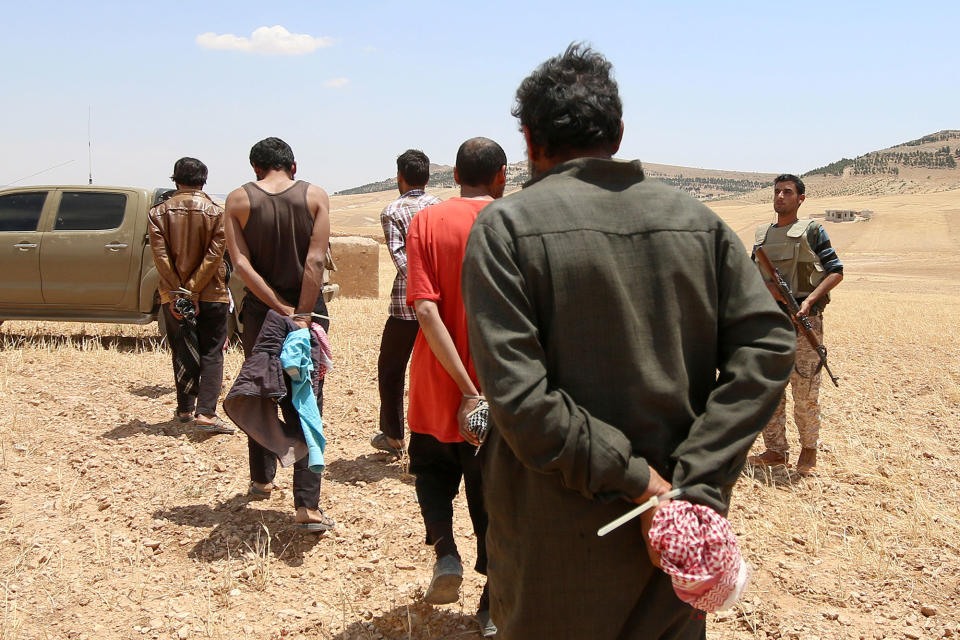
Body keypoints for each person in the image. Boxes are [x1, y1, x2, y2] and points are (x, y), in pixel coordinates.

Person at [460, 45, 796, 640]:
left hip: (555, 549)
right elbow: (769, 346)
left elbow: (521, 400)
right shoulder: (701, 223)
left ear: (529, 139)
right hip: (672, 555)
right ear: (618, 134)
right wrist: (693, 485)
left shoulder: (505, 228)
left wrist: (646, 486)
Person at [405, 137, 506, 637]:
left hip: (437, 378)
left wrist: (464, 388)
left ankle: (445, 552)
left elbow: (424, 309)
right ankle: (490, 606)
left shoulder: (426, 220)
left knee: (431, 466)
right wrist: (482, 388)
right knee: (493, 494)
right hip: (499, 385)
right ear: (501, 175)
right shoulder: (511, 223)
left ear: (455, 176)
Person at [223, 137, 334, 531]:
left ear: (255, 168)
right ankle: (308, 506)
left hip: (260, 315)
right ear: (294, 165)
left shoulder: (238, 200)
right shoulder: (315, 196)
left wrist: (278, 308)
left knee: (262, 388)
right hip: (309, 312)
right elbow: (316, 259)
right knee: (306, 399)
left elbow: (241, 265)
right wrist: (301, 313)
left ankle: (261, 478)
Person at [747, 174, 843, 475]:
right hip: (769, 322)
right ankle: (776, 451)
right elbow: (750, 276)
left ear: (800, 198)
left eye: (787, 192)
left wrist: (809, 301)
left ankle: (808, 451)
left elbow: (836, 271)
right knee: (770, 391)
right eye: (776, 192)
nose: (780, 197)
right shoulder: (762, 236)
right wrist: (770, 291)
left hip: (804, 319)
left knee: (805, 390)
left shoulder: (813, 231)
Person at [147, 157, 234, 434]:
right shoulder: (217, 213)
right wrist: (194, 290)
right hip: (212, 293)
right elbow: (214, 255)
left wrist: (179, 295)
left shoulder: (158, 213)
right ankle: (206, 413)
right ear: (204, 180)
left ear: (175, 180)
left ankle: (185, 408)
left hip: (172, 294)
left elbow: (161, 258)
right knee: (212, 351)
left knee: (181, 348)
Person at [370, 149, 441, 456]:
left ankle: (394, 435)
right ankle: (439, 434)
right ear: (427, 177)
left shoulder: (392, 211)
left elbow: (402, 262)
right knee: (438, 370)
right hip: (439, 305)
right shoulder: (440, 207)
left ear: (399, 177)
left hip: (406, 306)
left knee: (391, 368)